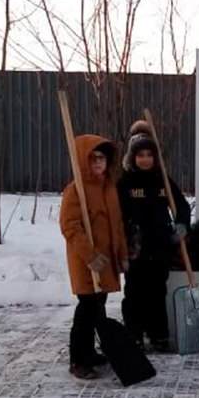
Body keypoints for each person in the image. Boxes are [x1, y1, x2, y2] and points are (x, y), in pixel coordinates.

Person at [117, 120, 191, 353]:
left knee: (157, 290)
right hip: (136, 247)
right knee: (135, 292)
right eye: (140, 155)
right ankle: (134, 334)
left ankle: (158, 334)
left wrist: (181, 225)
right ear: (133, 157)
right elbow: (116, 214)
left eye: (149, 155)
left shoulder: (164, 181)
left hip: (159, 245)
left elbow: (181, 207)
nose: (145, 159)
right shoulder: (126, 183)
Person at [60, 135, 128, 380]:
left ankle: (90, 352)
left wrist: (121, 255)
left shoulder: (109, 187)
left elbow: (116, 225)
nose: (99, 162)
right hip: (86, 262)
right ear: (83, 160)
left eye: (103, 157)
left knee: (98, 307)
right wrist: (90, 256)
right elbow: (70, 226)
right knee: (87, 308)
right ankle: (78, 360)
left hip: (106, 260)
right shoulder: (75, 190)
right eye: (94, 157)